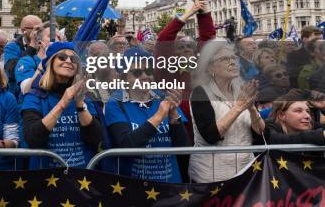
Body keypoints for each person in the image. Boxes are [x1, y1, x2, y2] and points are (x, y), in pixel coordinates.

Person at [105, 47, 189, 183]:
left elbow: (183, 147)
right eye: (137, 72)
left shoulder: (163, 97)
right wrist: (159, 116)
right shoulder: (115, 103)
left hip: (170, 184)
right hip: (136, 187)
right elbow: (126, 144)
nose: (144, 76)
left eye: (149, 71)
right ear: (124, 77)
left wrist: (174, 115)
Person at [189, 40, 265, 183]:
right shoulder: (200, 92)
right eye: (224, 59)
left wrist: (252, 109)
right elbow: (210, 136)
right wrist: (238, 107)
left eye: (233, 58)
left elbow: (260, 132)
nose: (232, 62)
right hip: (211, 175)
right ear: (210, 67)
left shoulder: (241, 89)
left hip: (246, 171)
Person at [22, 42, 102, 168]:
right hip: (46, 176)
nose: (69, 61)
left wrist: (80, 105)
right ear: (50, 62)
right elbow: (32, 138)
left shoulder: (86, 95)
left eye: (74, 58)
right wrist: (63, 103)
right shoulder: (34, 96)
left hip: (81, 175)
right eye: (62, 57)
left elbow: (96, 139)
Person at [15, 22, 61, 97]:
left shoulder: (63, 63)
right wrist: (46, 59)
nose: (56, 40)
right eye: (51, 36)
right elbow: (26, 89)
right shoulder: (26, 62)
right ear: (39, 43)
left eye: (59, 38)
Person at [3, 15, 42, 88]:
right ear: (23, 30)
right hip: (18, 92)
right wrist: (32, 46)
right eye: (36, 29)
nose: (39, 32)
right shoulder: (11, 47)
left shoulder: (43, 46)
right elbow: (12, 71)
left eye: (41, 29)